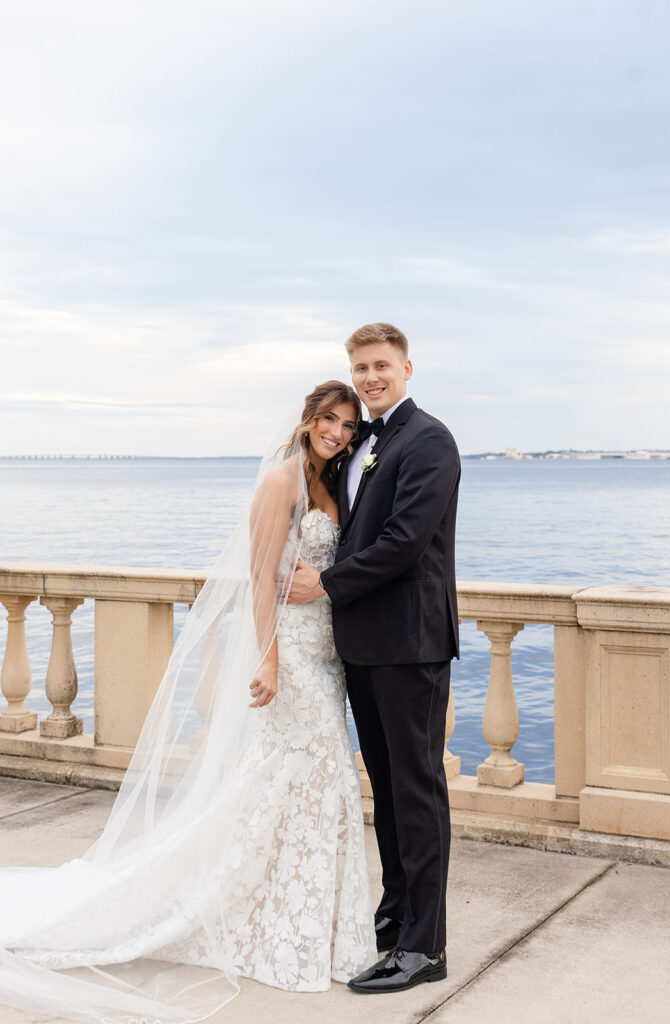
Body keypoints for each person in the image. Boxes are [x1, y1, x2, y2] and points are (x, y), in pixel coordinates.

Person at [0, 381, 377, 1024]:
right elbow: (260, 578)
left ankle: (305, 920)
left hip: (327, 656)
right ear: (309, 418)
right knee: (304, 781)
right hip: (290, 654)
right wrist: (268, 659)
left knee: (311, 788)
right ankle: (262, 918)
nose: (338, 432)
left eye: (348, 424)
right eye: (329, 419)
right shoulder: (281, 481)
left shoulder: (332, 483)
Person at [287, 323, 460, 994]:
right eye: (360, 367)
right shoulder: (363, 442)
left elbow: (404, 542)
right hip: (363, 645)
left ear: (406, 367)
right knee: (386, 793)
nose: (369, 377)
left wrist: (325, 584)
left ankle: (425, 948)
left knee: (418, 793)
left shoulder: (428, 441)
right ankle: (394, 919)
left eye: (380, 365)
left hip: (410, 645)